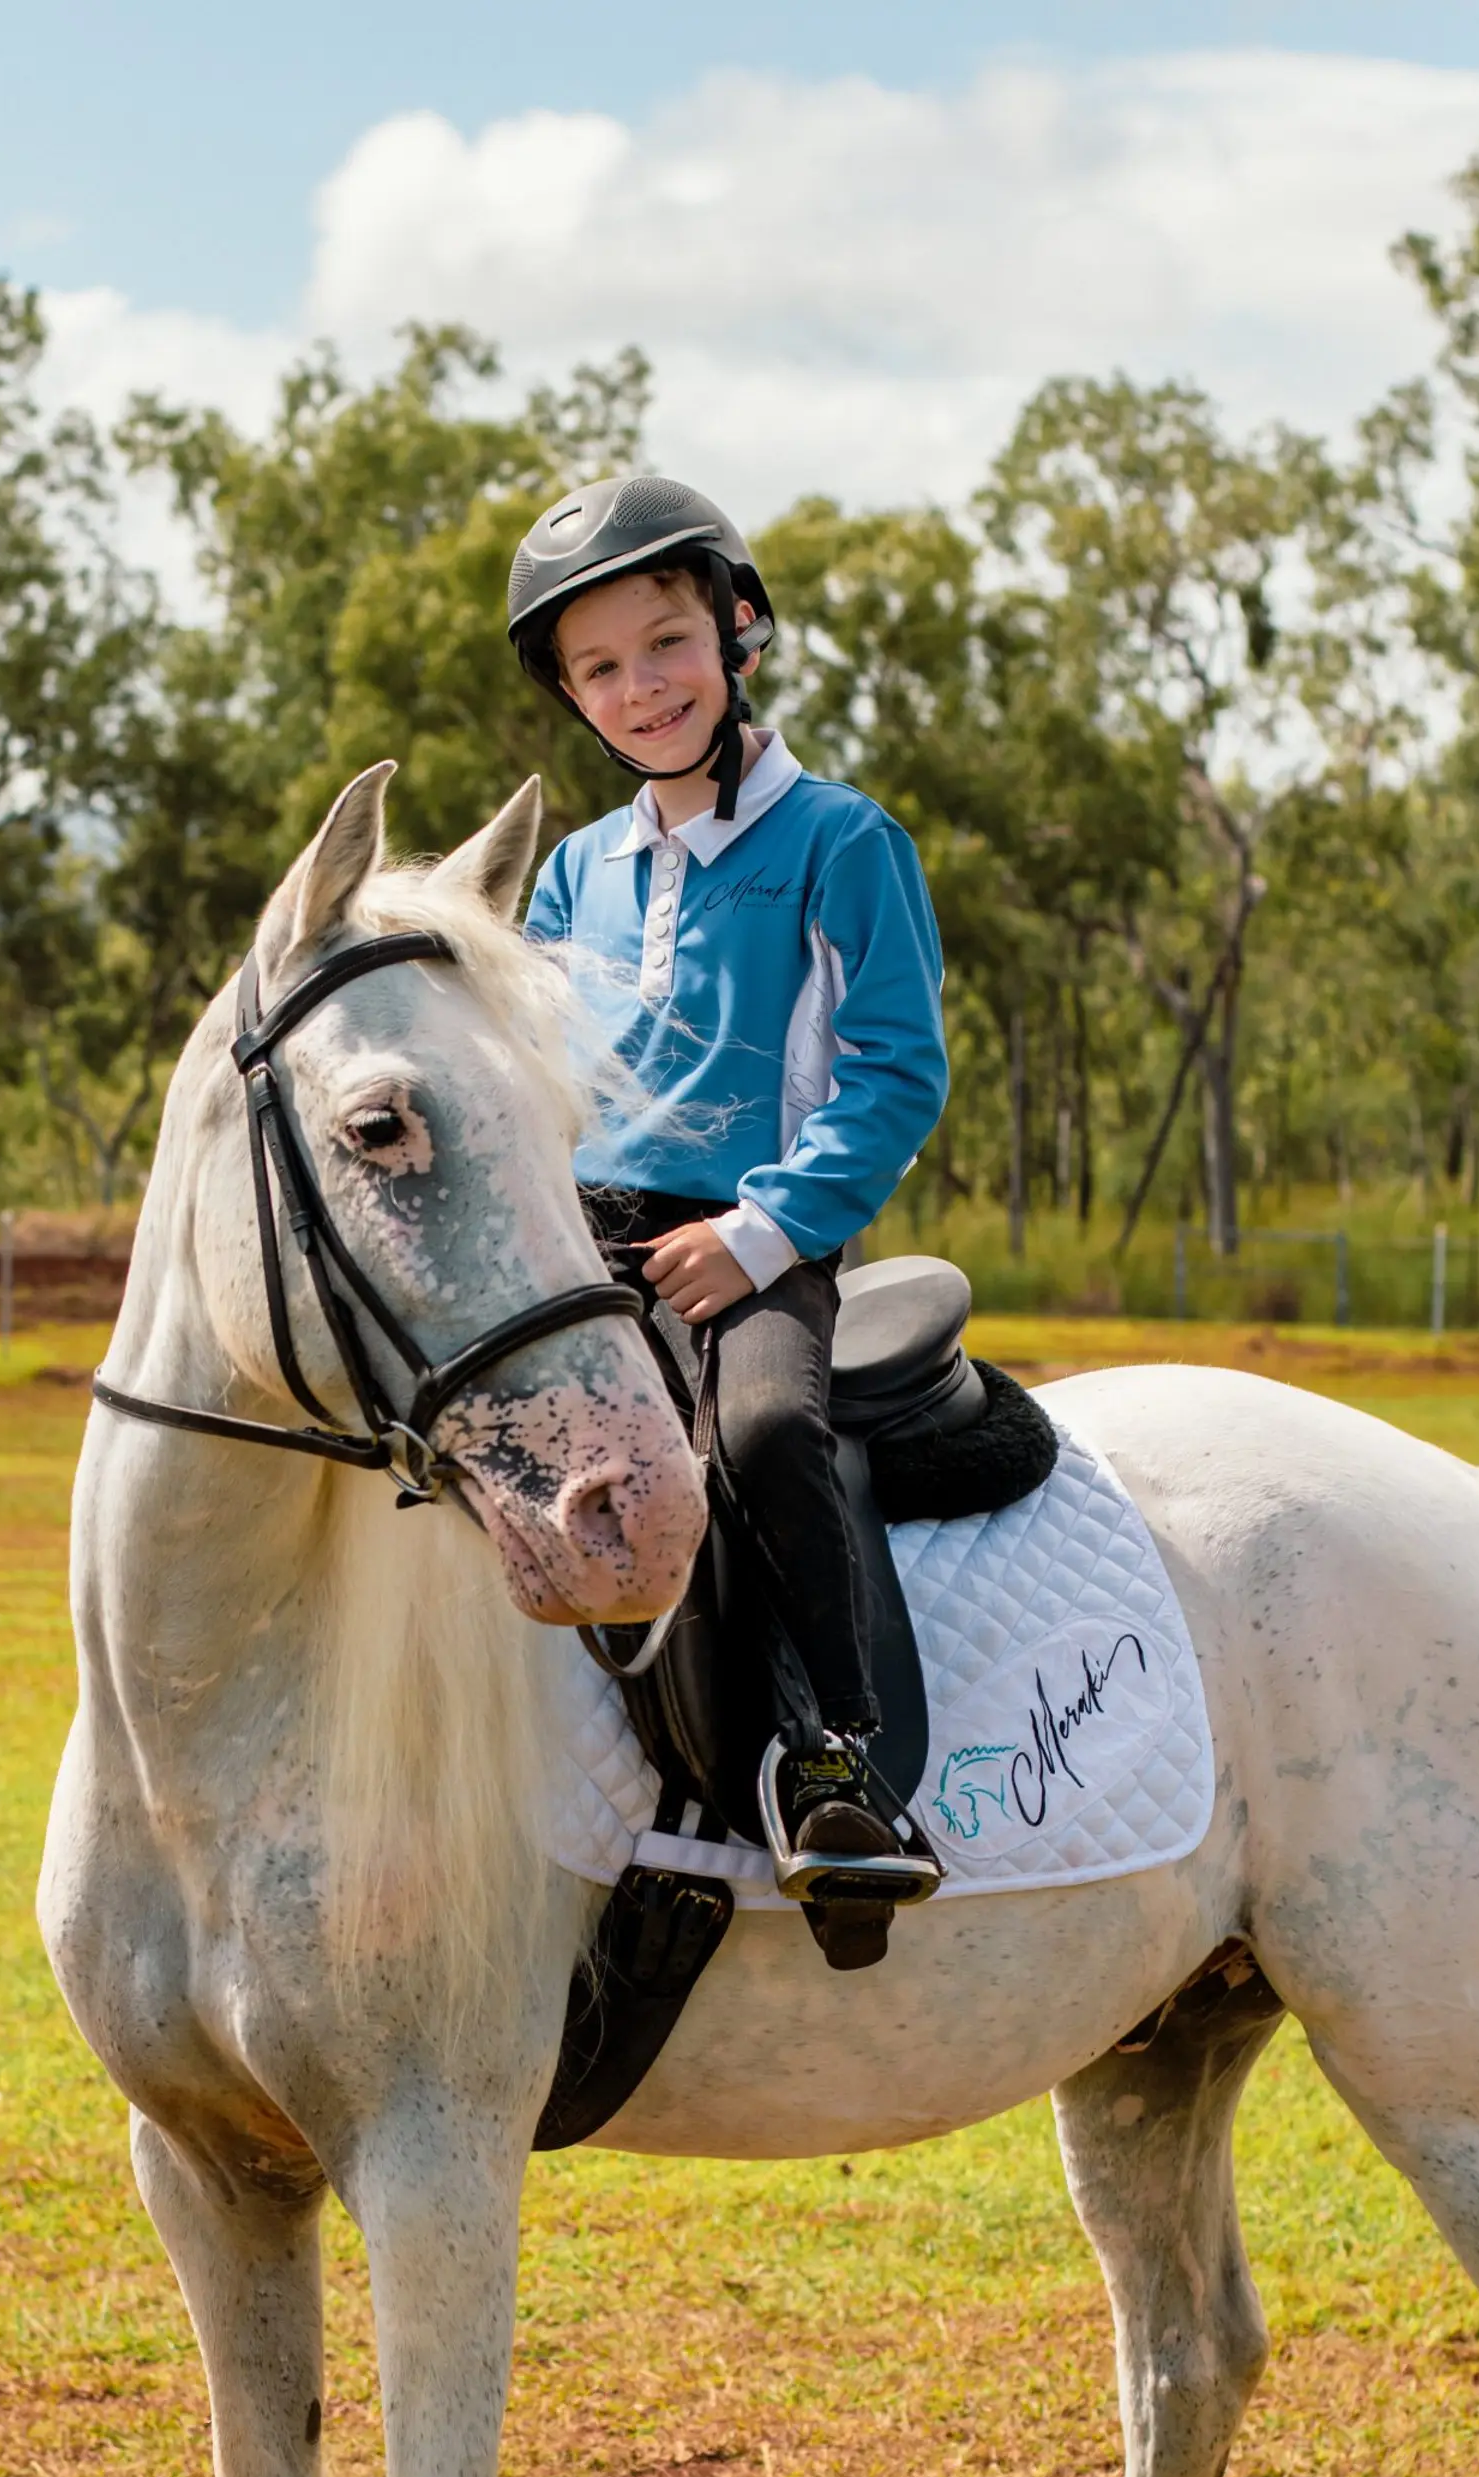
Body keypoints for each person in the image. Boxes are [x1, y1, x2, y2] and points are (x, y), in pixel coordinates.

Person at [508, 474, 952, 1942]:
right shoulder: (575, 872)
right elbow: (531, 1071)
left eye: (667, 642)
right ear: (575, 696)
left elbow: (895, 1074)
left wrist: (755, 1238)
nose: (641, 686)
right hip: (583, 1242)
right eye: (602, 667)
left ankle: (843, 1768)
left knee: (758, 1431)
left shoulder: (842, 840)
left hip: (754, 1242)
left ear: (737, 628)